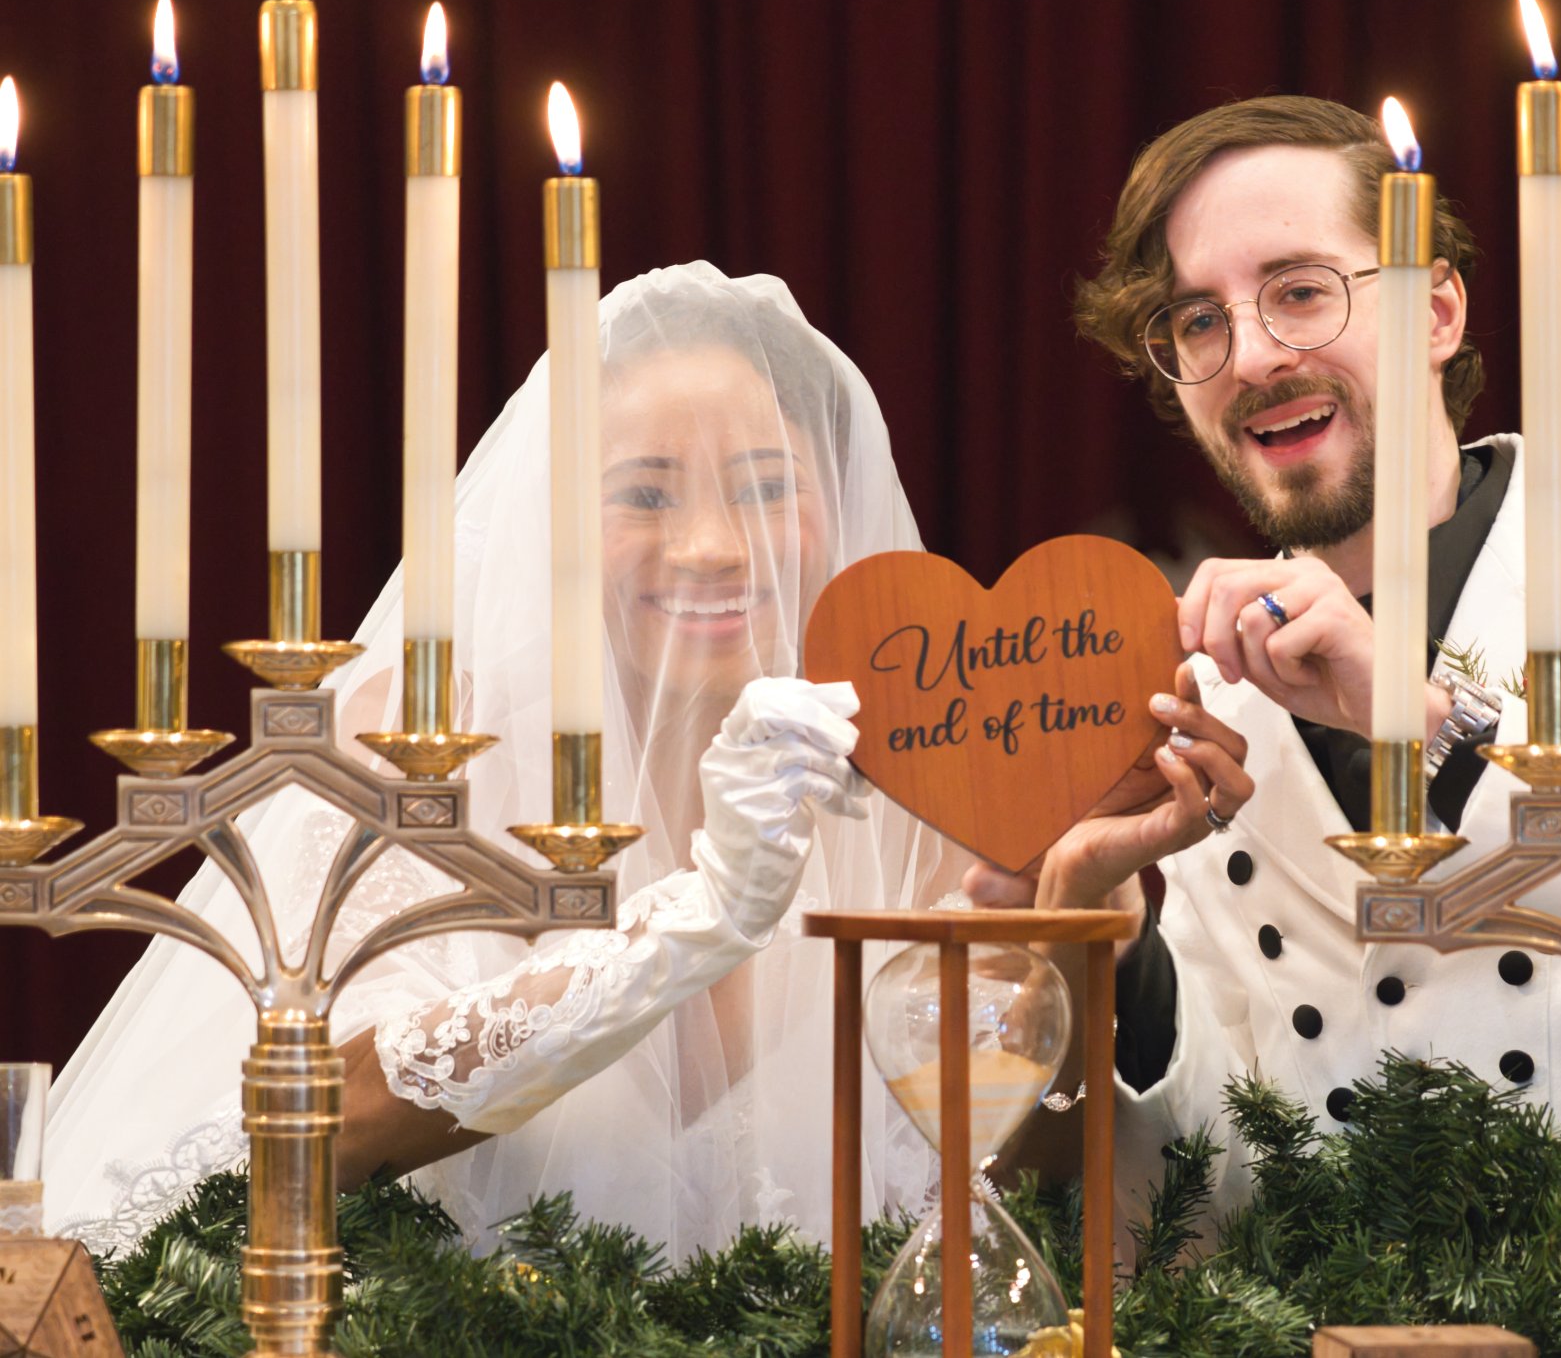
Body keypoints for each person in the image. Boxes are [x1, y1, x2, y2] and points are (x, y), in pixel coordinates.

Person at [970, 95, 1561, 1216]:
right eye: (1198, 323)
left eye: (1299, 291)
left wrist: (1433, 721)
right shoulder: (1203, 696)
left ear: (1435, 310)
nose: (1249, 355)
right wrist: (1099, 934)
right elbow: (1204, 1194)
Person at [44, 263, 953, 1259]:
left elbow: (989, 1150)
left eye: (768, 487)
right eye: (644, 495)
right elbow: (325, 1114)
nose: (711, 545)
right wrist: (706, 911)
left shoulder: (905, 777)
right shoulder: (422, 749)